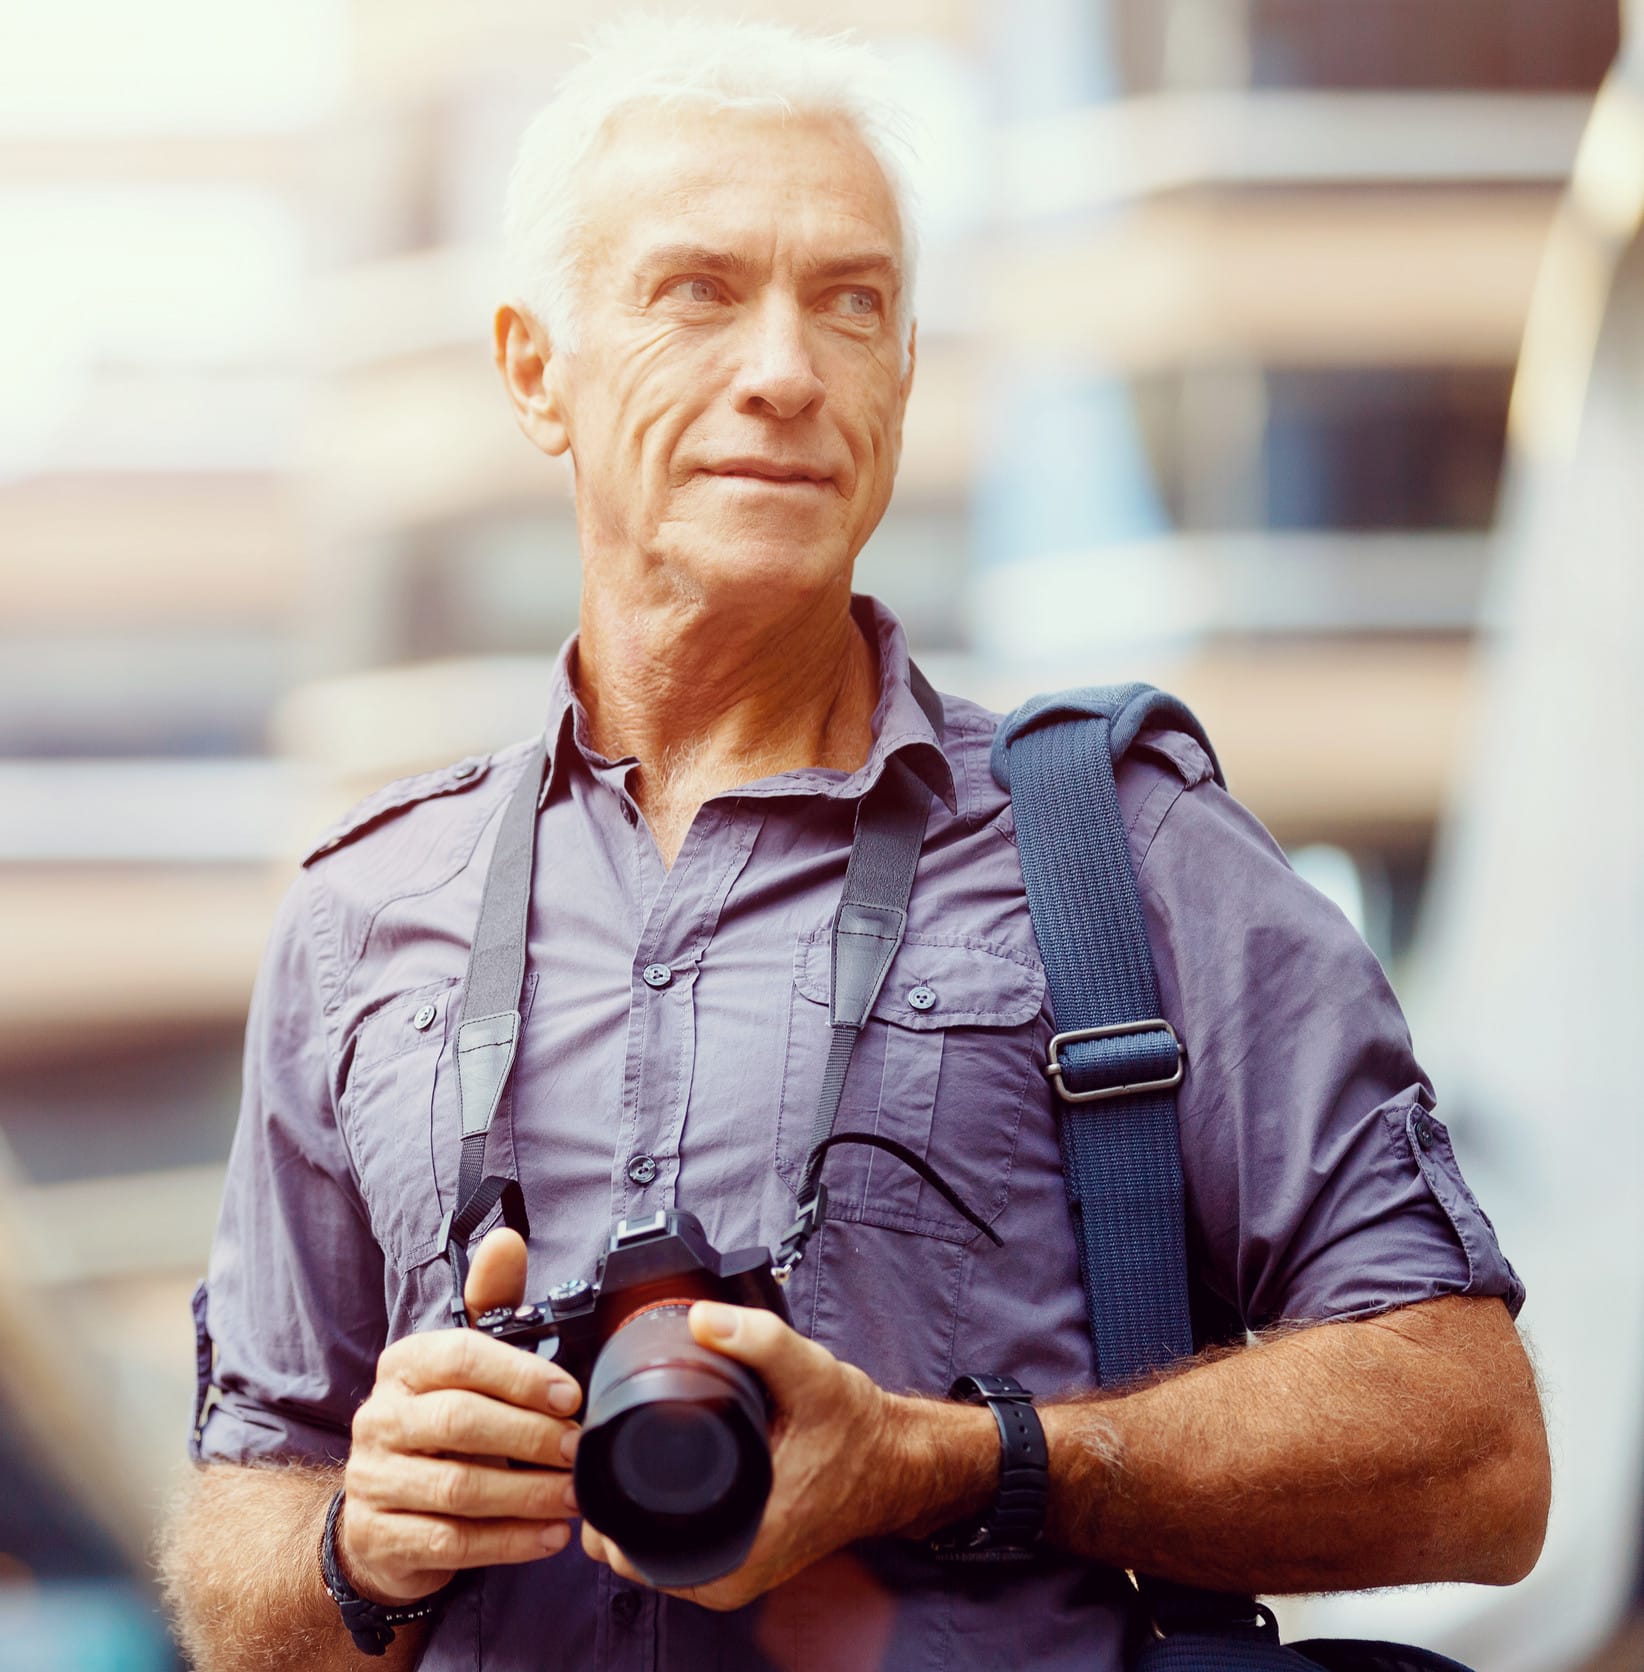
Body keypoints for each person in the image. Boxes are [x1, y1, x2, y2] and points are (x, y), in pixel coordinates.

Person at [158, 17, 1547, 1670]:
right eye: (696, 291)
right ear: (538, 369)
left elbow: (1479, 1452)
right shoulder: (360, 913)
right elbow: (242, 1544)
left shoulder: (1129, 852)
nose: (786, 369)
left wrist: (955, 1459)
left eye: (852, 300)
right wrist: (360, 1539)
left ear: (900, 375)